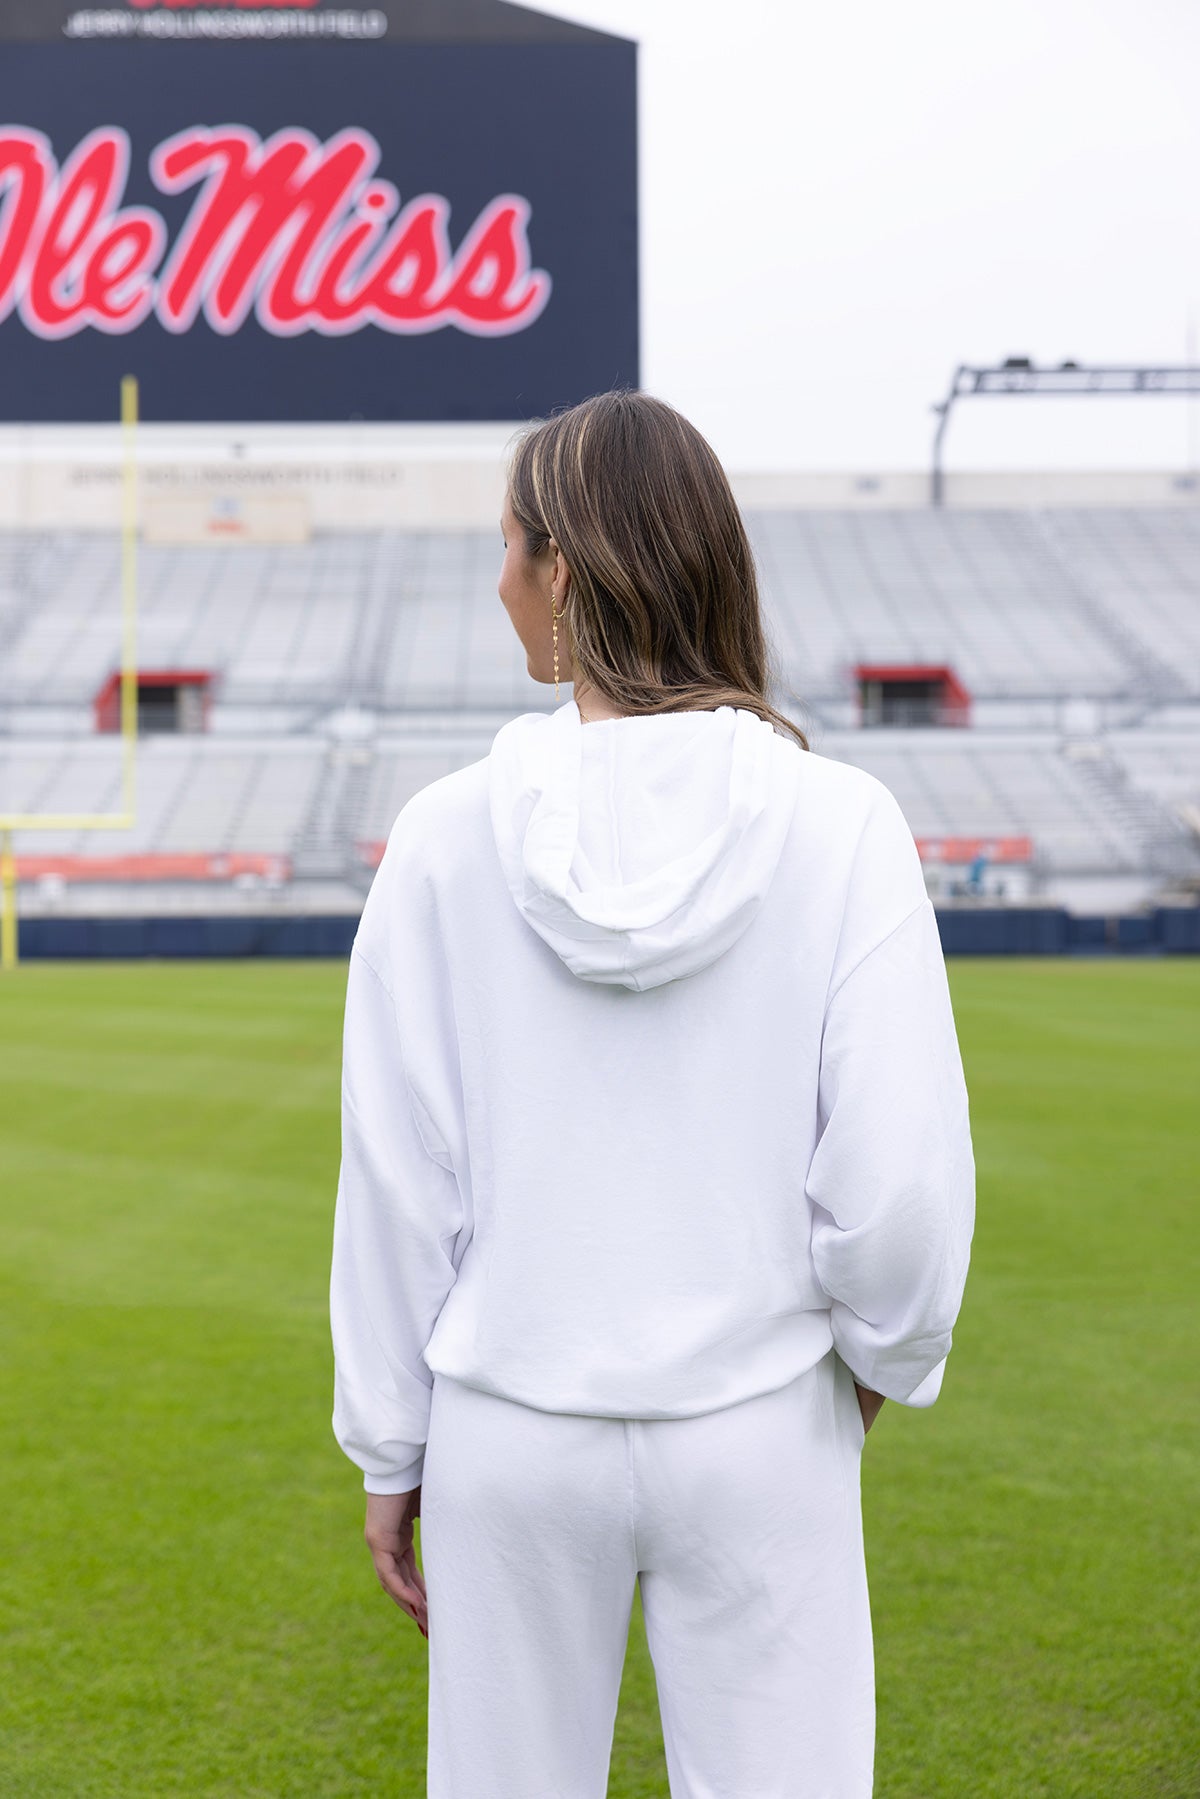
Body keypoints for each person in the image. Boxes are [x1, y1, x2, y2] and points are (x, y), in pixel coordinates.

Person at [329, 389, 976, 1799]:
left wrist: (391, 1442)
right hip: (761, 1420)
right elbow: (900, 1177)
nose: (497, 579)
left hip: (511, 1425)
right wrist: (869, 1367)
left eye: (509, 544)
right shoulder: (841, 822)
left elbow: (398, 1182)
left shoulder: (442, 841)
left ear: (562, 567)